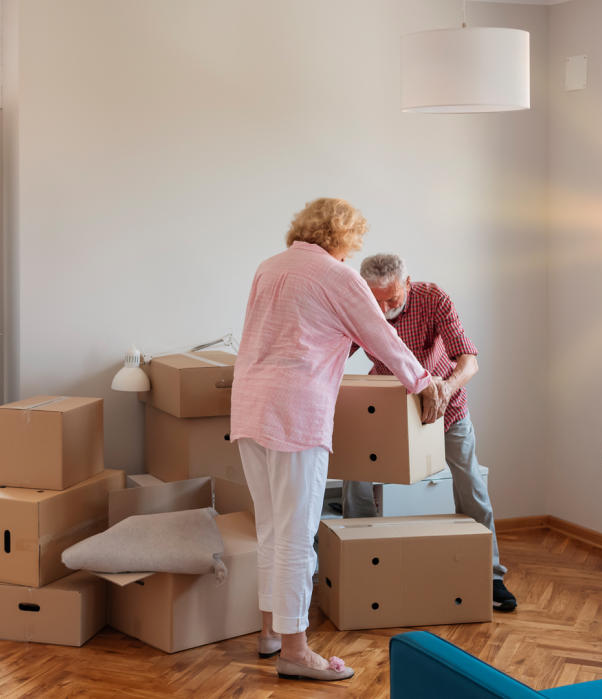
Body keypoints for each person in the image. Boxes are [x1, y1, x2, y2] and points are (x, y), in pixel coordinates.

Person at [231, 199, 441, 682]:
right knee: (297, 536)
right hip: (294, 413)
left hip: (249, 407)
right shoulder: (337, 276)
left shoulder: (268, 268)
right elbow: (380, 339)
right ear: (342, 238)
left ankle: (269, 632)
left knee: (270, 529)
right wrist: (422, 381)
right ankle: (296, 651)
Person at [341, 253, 517, 612]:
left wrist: (446, 389)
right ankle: (361, 561)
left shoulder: (433, 298)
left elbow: (468, 360)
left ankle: (491, 574)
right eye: (376, 300)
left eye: (392, 299)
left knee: (472, 486)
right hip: (387, 406)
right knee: (355, 479)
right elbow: (336, 352)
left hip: (444, 405)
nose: (384, 307)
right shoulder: (363, 306)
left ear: (408, 284)